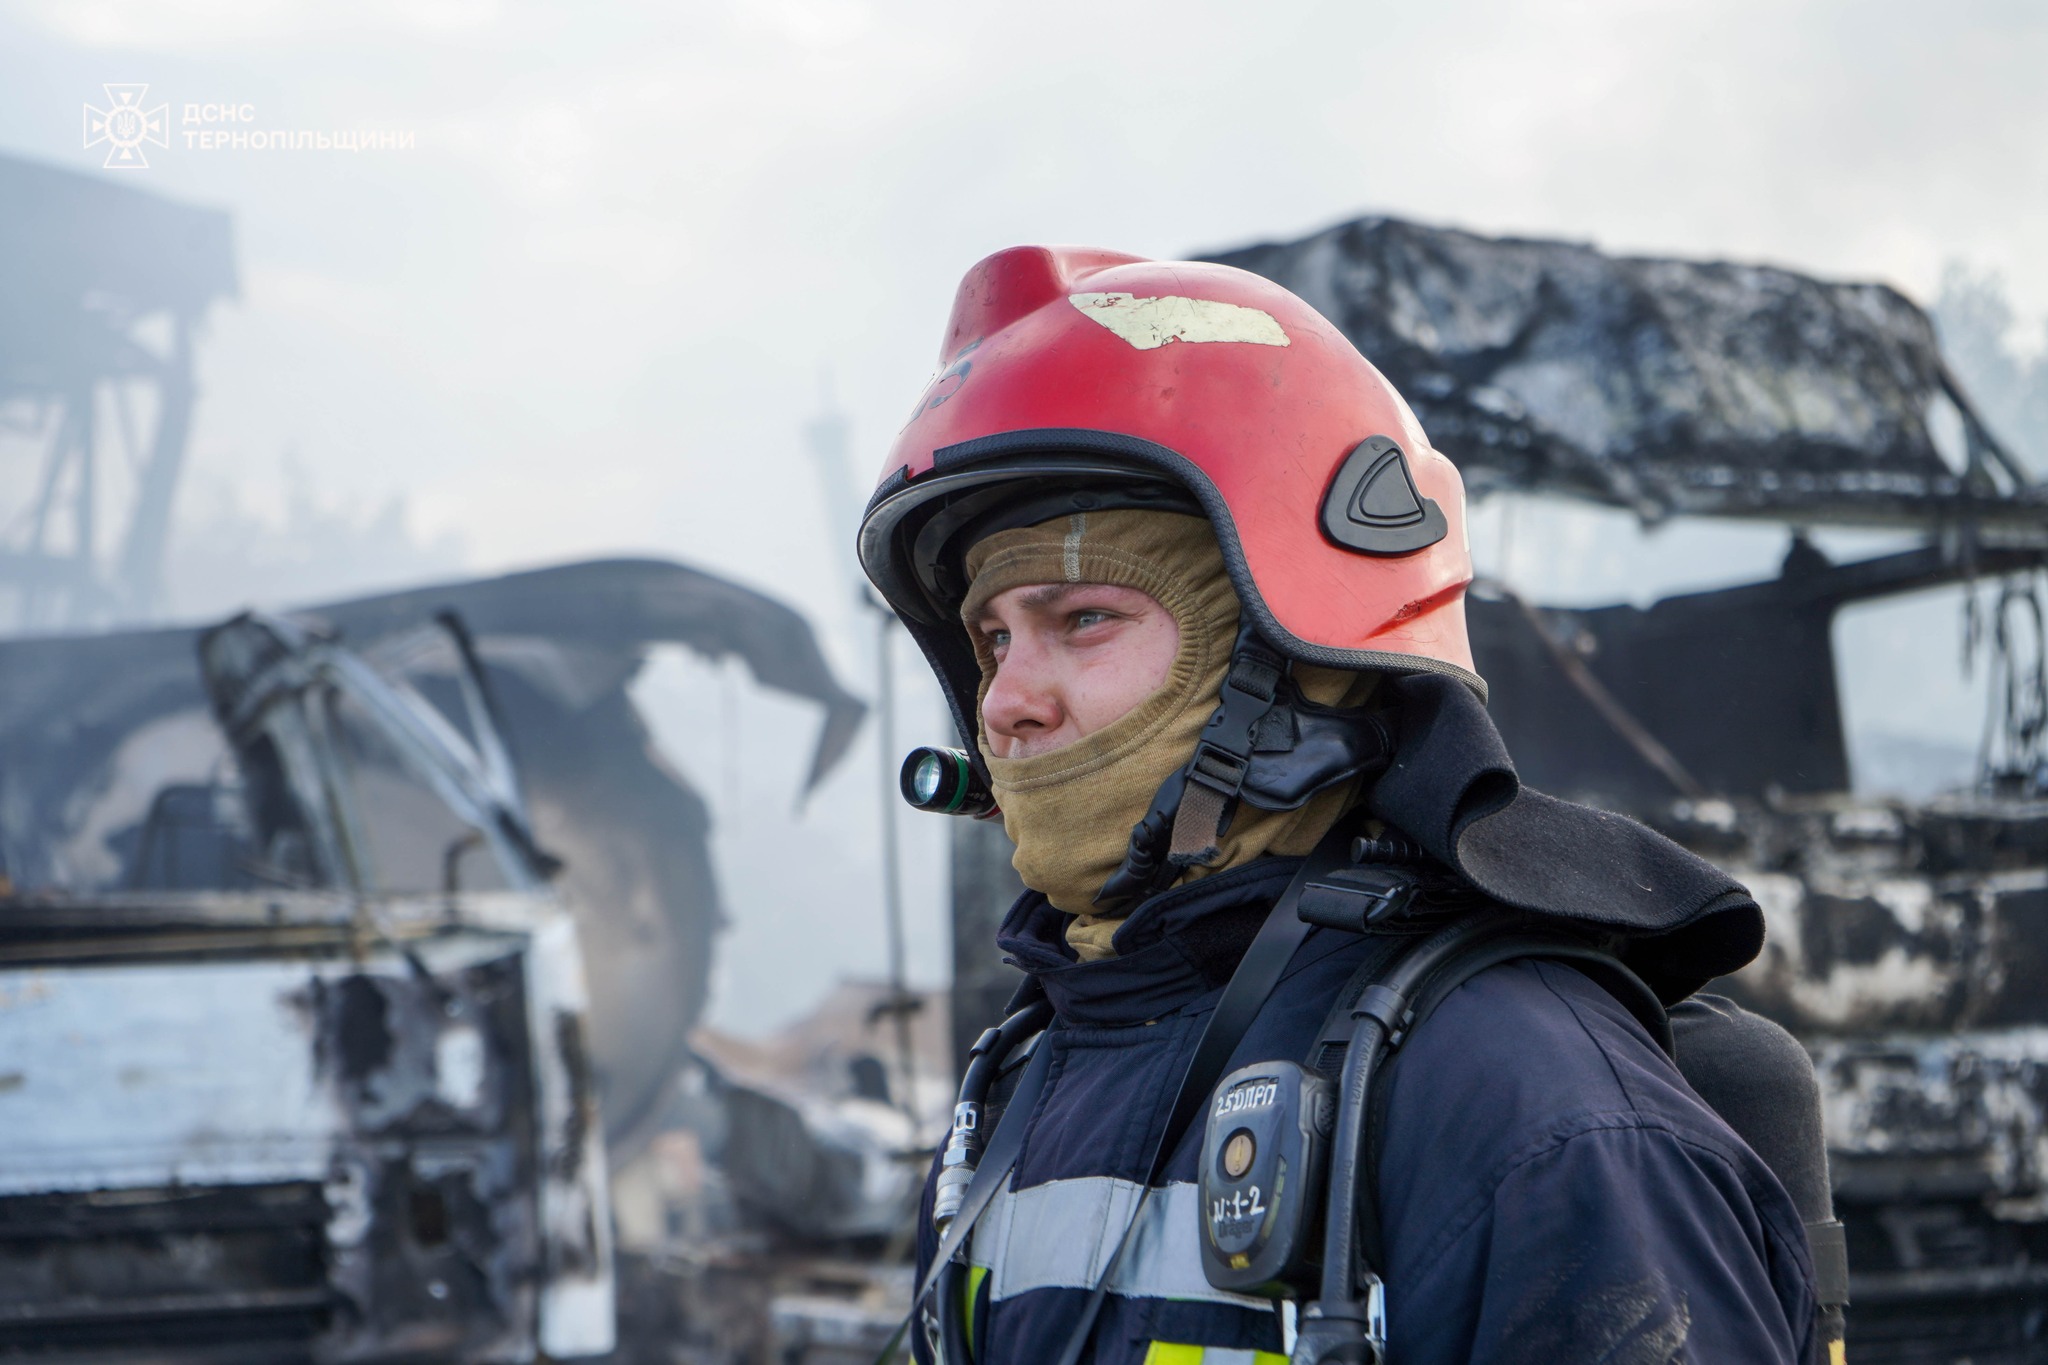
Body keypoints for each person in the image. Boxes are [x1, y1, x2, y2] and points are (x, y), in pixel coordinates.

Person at [858, 246, 1819, 1364]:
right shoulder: (1028, 1075)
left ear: (1290, 659)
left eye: (1080, 619)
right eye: (989, 639)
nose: (1008, 702)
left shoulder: (1532, 1112)